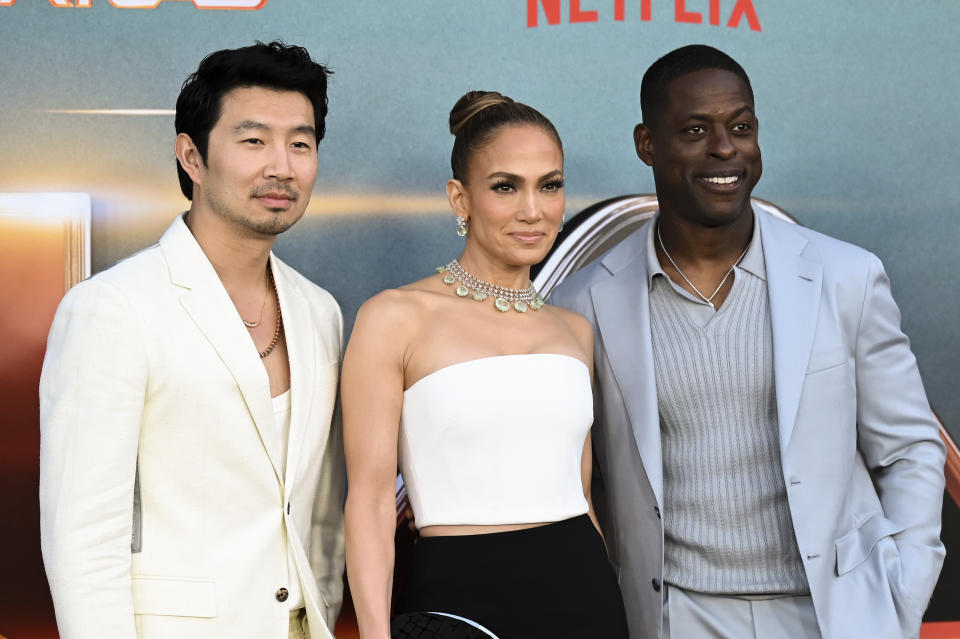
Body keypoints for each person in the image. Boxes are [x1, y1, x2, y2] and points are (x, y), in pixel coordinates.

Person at [550, 44, 946, 639]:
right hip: (674, 616)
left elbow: (910, 449)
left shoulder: (846, 277)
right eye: (694, 130)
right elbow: (582, 483)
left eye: (741, 126)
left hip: (834, 615)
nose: (725, 148)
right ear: (646, 144)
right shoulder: (583, 302)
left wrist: (902, 591)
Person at [39, 42, 345, 639]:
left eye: (301, 143)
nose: (281, 165)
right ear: (192, 157)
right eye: (253, 141)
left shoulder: (319, 312)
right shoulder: (113, 309)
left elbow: (321, 509)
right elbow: (83, 538)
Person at [341, 91, 629, 639]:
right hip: (458, 604)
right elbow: (372, 500)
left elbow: (582, 495)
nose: (533, 210)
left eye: (550, 185)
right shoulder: (394, 317)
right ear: (460, 197)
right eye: (506, 187)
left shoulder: (574, 331)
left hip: (585, 598)